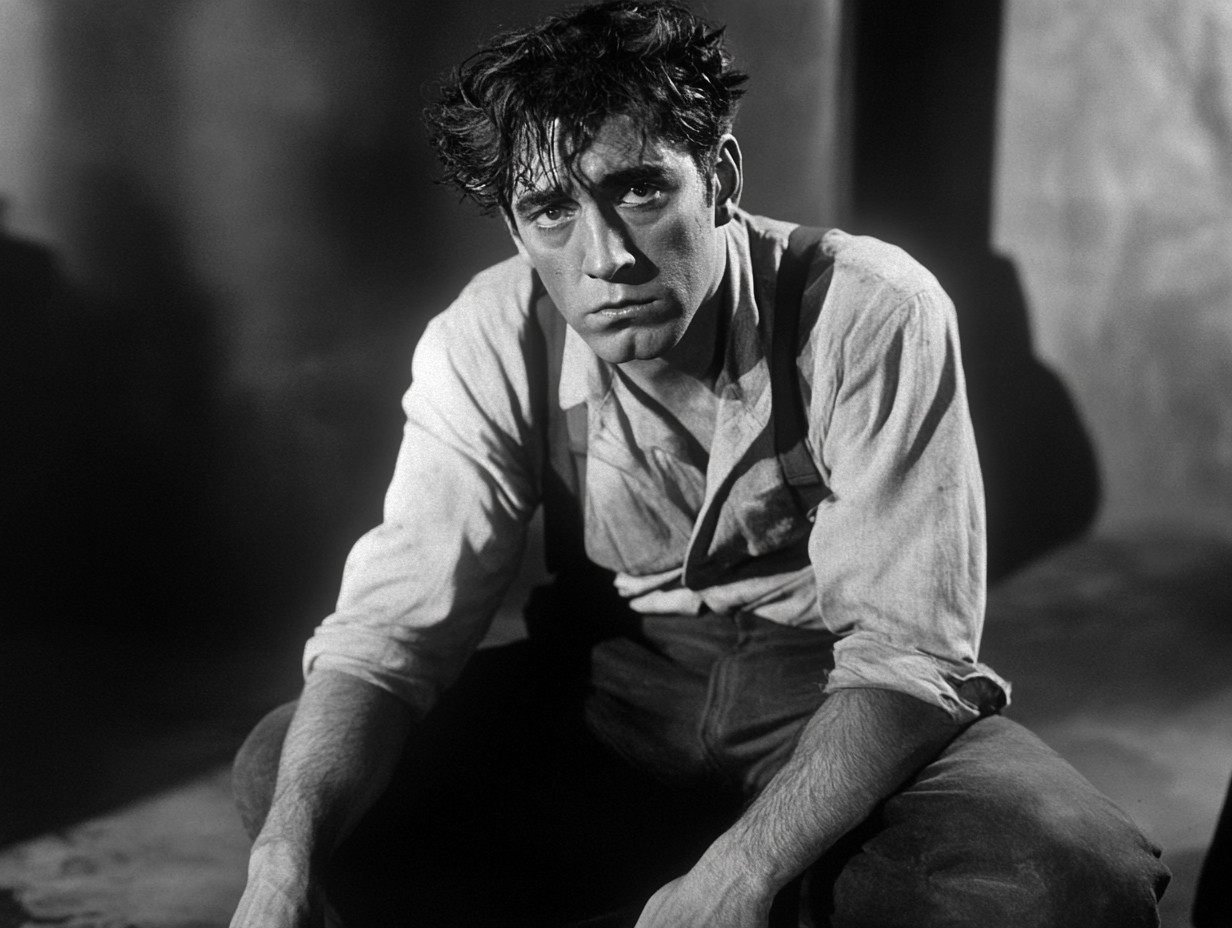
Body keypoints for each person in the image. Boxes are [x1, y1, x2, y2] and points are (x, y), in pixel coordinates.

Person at [229, 2, 1169, 925]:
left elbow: (905, 654)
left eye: (638, 190)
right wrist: (279, 862)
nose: (606, 259)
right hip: (613, 687)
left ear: (718, 177)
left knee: (1072, 879)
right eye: (551, 211)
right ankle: (717, 863)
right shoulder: (487, 336)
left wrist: (742, 874)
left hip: (832, 688)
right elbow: (389, 637)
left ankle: (720, 861)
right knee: (291, 782)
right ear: (517, 233)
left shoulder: (870, 310)